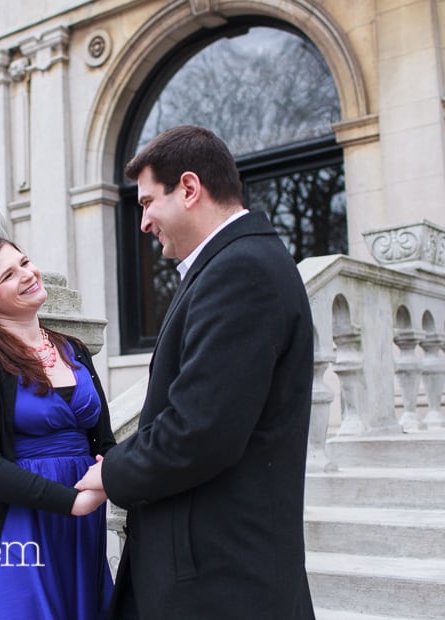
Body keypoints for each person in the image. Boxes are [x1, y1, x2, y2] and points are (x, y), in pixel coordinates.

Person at [76, 125, 315, 619]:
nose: (142, 222)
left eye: (146, 203)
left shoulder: (240, 271)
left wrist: (111, 471)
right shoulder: (229, 266)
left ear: (188, 188)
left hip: (221, 582)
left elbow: (199, 431)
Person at [0, 235, 115, 619]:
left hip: (80, 531)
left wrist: (111, 475)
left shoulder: (75, 350)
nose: (27, 274)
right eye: (8, 274)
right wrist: (72, 501)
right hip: (12, 531)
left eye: (25, 262)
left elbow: (105, 441)